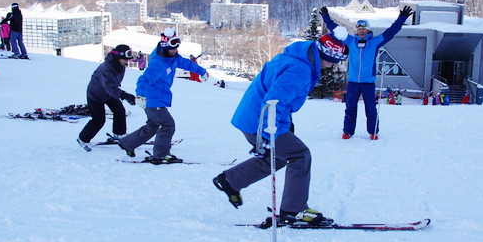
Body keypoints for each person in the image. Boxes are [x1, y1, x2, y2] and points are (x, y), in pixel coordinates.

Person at [213, 24, 349, 225]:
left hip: (253, 116)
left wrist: (285, 124)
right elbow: (273, 102)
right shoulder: (300, 69)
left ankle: (231, 180)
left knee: (278, 157)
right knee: (299, 156)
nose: (332, 67)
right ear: (327, 57)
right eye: (334, 62)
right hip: (260, 120)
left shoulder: (301, 56)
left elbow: (280, 101)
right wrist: (269, 133)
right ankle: (293, 210)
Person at [321, 5, 413, 139]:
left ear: (368, 30)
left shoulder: (374, 43)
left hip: (368, 82)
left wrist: (402, 17)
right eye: (359, 29)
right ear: (356, 30)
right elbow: (336, 29)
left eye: (364, 29)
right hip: (353, 81)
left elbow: (391, 32)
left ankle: (373, 132)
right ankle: (347, 131)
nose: (361, 31)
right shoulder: (350, 41)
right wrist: (326, 17)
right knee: (350, 108)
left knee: (370, 109)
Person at [117, 28, 207, 164]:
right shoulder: (158, 64)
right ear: (165, 48)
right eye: (173, 48)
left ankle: (127, 143)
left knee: (152, 126)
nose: (176, 50)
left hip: (158, 99)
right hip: (153, 101)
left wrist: (201, 71)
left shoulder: (172, 57)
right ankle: (160, 154)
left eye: (177, 47)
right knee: (168, 124)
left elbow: (185, 63)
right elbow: (143, 80)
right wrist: (139, 95)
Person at [76, 44, 137, 151]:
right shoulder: (107, 68)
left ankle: (119, 134)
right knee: (99, 120)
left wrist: (120, 94)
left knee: (119, 111)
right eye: (125, 59)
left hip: (109, 93)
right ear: (118, 57)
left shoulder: (120, 65)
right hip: (96, 95)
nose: (126, 62)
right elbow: (109, 86)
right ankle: (83, 139)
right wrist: (125, 95)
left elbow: (113, 86)